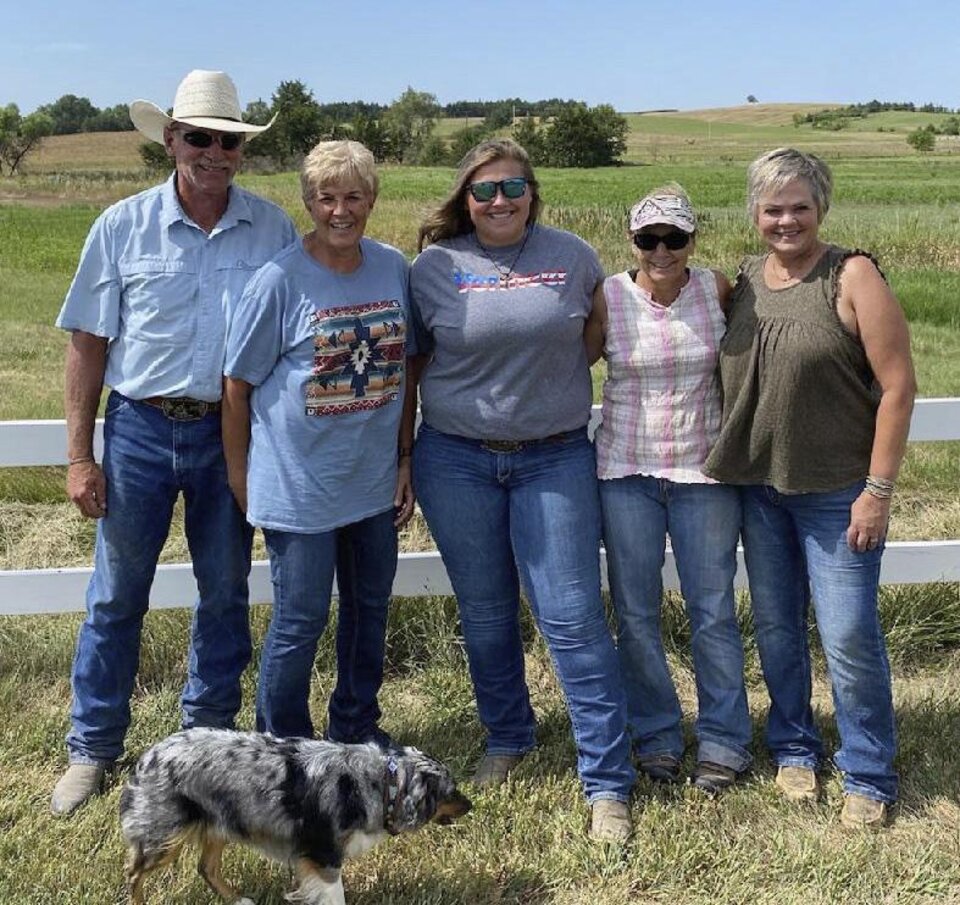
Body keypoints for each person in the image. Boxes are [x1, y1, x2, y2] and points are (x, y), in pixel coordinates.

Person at [51, 70, 298, 816]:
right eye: (200, 137)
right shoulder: (121, 226)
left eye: (229, 140)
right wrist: (78, 454)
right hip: (139, 427)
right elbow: (87, 345)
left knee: (224, 594)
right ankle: (93, 746)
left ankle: (207, 742)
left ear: (242, 152)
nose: (214, 152)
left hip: (231, 432)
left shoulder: (275, 229)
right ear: (170, 140)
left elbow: (292, 343)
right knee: (116, 595)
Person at [408, 139, 635, 842]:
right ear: (464, 199)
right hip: (455, 460)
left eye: (512, 187)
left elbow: (595, 339)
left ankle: (607, 780)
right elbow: (413, 366)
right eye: (483, 191)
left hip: (554, 458)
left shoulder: (573, 257)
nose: (498, 201)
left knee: (571, 616)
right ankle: (509, 736)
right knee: (484, 612)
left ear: (532, 192)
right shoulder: (432, 268)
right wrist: (398, 459)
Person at [703, 148, 916, 829]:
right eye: (773, 208)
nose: (786, 219)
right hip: (761, 490)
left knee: (849, 634)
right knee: (777, 629)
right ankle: (794, 746)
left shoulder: (850, 275)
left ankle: (868, 769)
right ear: (754, 213)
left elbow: (898, 387)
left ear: (821, 206)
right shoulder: (740, 281)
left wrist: (878, 488)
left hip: (837, 492)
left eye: (799, 205)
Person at [222, 140, 414, 746]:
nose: (340, 210)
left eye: (353, 196)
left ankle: (356, 728)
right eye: (326, 197)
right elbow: (237, 386)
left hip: (372, 483)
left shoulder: (392, 269)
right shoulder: (279, 280)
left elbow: (407, 367)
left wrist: (405, 458)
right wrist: (239, 475)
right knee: (299, 622)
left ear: (373, 200)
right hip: (299, 490)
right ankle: (284, 746)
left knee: (369, 615)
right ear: (307, 202)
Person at [586, 185, 752, 796]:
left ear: (692, 240)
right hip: (625, 471)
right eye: (649, 239)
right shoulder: (608, 295)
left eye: (674, 238)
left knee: (712, 611)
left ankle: (724, 739)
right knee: (635, 613)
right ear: (632, 241)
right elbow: (567, 365)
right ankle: (655, 733)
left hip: (704, 472)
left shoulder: (717, 290)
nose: (662, 250)